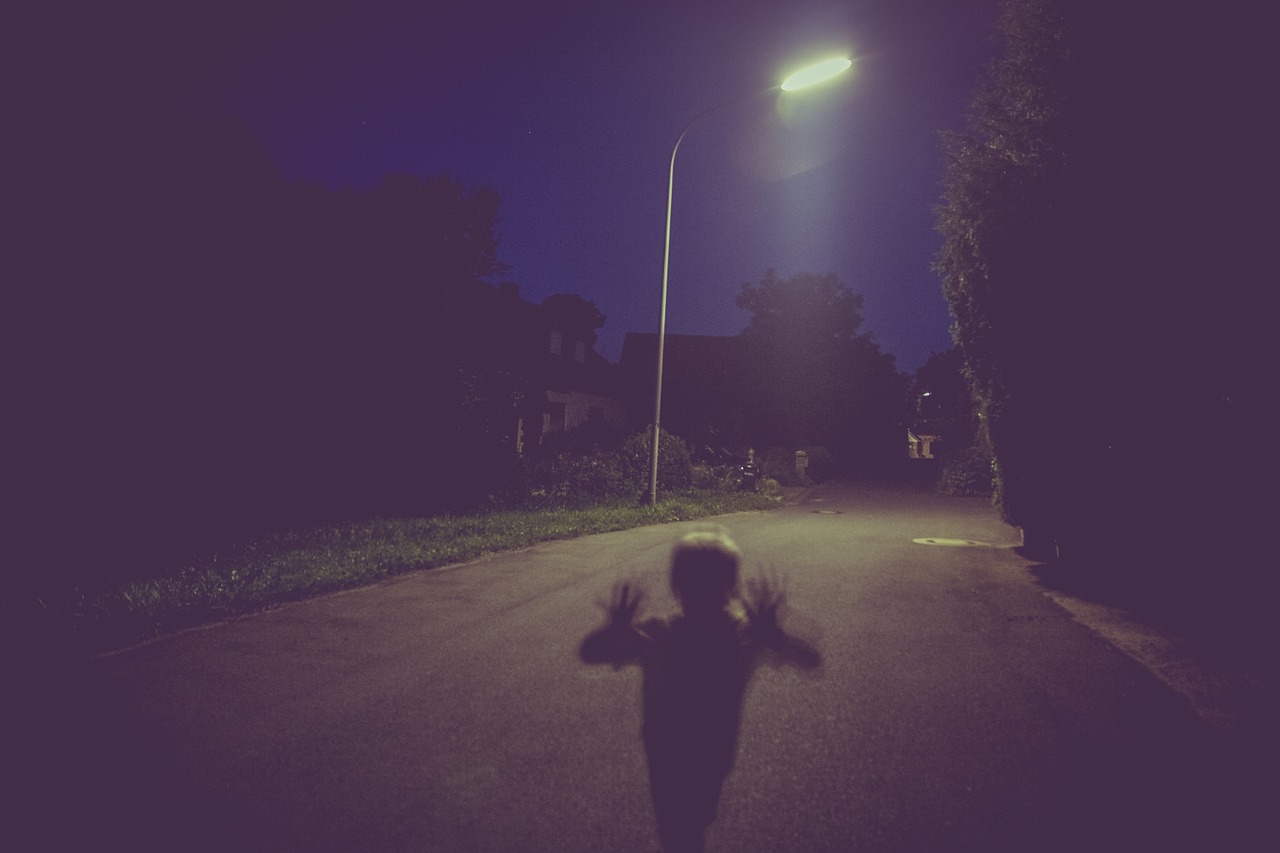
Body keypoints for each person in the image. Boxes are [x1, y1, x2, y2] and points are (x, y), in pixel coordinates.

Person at [580, 529, 821, 853]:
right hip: (669, 750)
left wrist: (777, 638)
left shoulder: (741, 637)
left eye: (713, 584)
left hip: (709, 751)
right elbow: (590, 653)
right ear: (678, 586)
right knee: (679, 825)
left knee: (690, 820)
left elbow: (810, 660)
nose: (704, 593)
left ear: (730, 588)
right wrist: (612, 632)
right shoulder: (661, 634)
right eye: (695, 583)